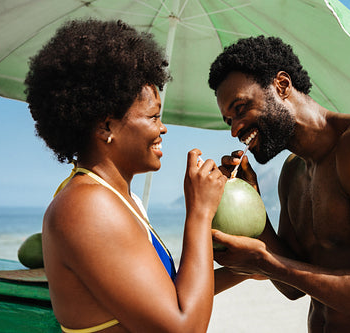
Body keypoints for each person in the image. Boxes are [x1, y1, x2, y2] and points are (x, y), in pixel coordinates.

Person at [208, 35, 350, 332]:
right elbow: (293, 287)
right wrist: (257, 214)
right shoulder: (292, 172)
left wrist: (266, 263)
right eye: (229, 120)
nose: (235, 129)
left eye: (240, 108)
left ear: (282, 85)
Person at [25, 19, 226, 333]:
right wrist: (199, 213)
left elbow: (169, 298)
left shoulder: (117, 198)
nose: (162, 129)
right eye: (153, 116)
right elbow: (182, 328)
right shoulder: (87, 207)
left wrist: (252, 267)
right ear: (106, 127)